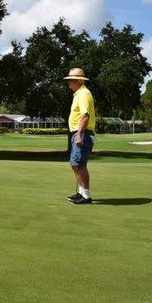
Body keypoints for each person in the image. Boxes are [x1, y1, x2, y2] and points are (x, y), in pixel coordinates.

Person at [64, 68, 96, 204]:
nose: (69, 83)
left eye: (70, 80)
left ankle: (86, 196)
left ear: (78, 81)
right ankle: (81, 192)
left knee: (80, 164)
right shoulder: (78, 93)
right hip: (78, 133)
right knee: (75, 164)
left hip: (82, 133)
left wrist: (79, 135)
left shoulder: (83, 93)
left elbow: (85, 115)